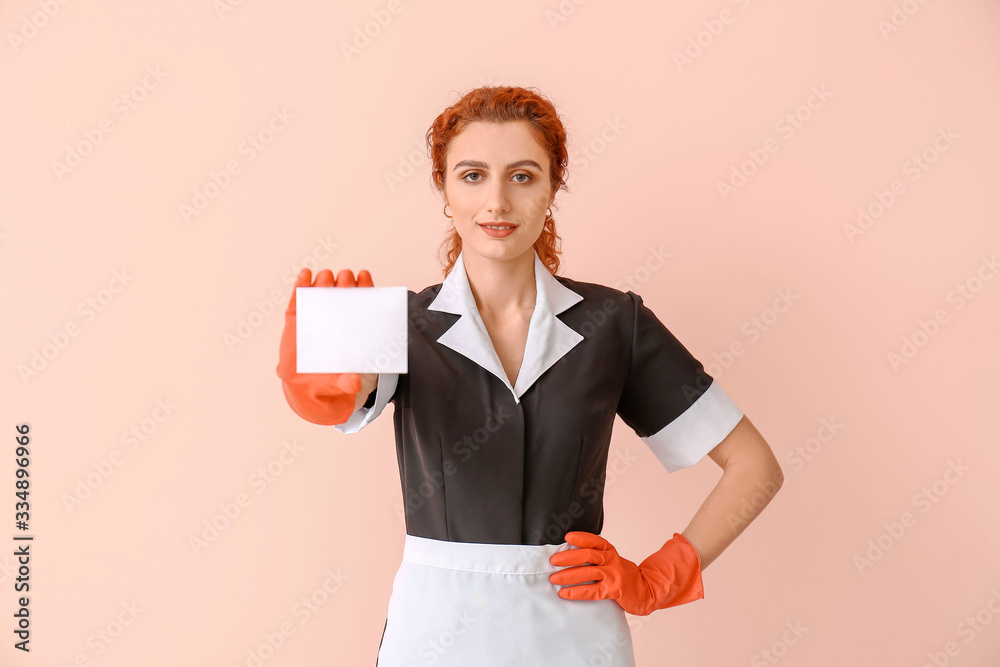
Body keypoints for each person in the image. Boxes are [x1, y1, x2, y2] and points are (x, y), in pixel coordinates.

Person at [276, 85, 784, 666]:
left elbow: (754, 468)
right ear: (443, 188)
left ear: (552, 188)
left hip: (574, 635)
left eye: (522, 176)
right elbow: (349, 395)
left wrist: (656, 578)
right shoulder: (398, 325)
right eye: (472, 175)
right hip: (436, 634)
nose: (496, 201)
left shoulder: (616, 324)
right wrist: (322, 386)